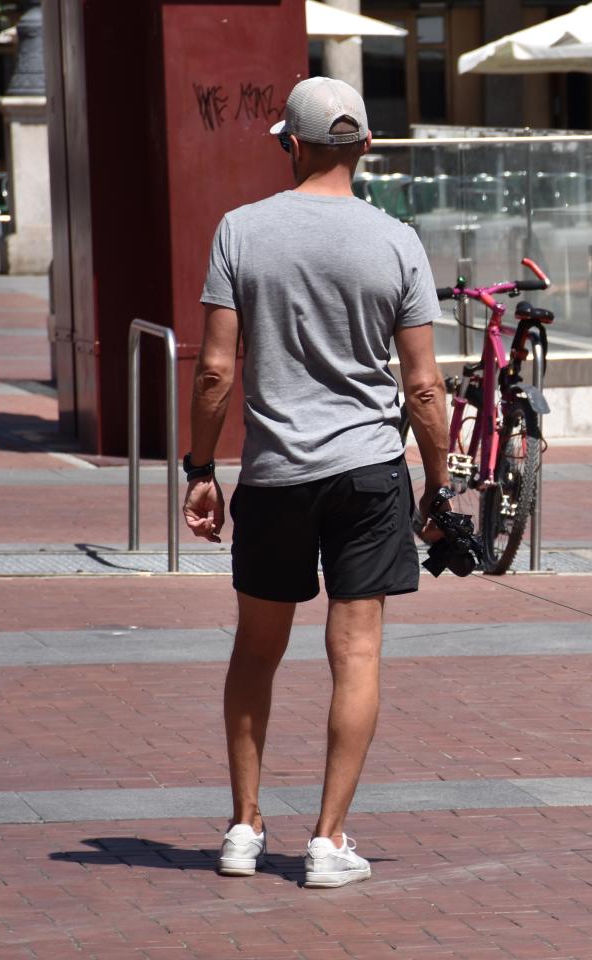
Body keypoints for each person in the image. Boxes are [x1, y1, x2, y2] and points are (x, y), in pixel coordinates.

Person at [182, 76, 453, 889]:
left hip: (274, 474)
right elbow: (425, 388)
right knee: (357, 652)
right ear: (364, 146)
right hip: (370, 472)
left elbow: (216, 372)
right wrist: (436, 484)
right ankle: (329, 843)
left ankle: (242, 826)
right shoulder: (397, 240)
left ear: (290, 145)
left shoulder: (241, 230)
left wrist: (201, 468)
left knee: (256, 652)